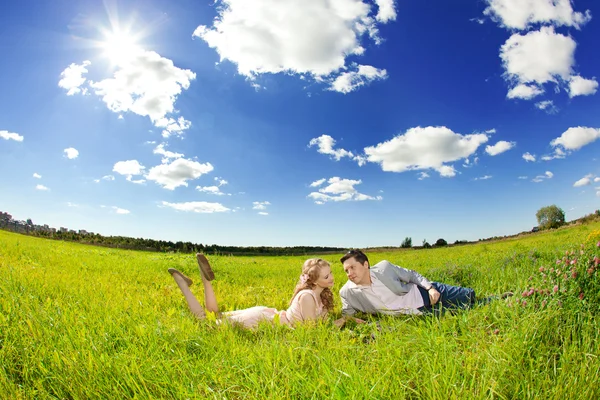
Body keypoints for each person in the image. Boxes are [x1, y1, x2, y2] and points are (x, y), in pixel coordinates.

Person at [337, 249, 511, 321]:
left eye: (352, 267)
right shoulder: (347, 291)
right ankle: (498, 300)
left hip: (424, 292)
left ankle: (499, 298)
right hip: (418, 311)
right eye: (346, 270)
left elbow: (412, 275)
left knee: (469, 295)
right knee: (464, 310)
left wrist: (430, 288)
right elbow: (348, 312)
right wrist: (345, 320)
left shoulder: (384, 268)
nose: (349, 273)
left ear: (365, 264)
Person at [168, 254, 335, 329]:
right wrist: (341, 322)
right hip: (261, 320)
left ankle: (205, 280)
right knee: (205, 323)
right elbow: (312, 330)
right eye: (327, 276)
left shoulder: (320, 295)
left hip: (267, 314)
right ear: (313, 280)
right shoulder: (307, 297)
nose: (332, 278)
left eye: (331, 273)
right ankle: (182, 283)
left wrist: (345, 319)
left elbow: (323, 321)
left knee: (215, 315)